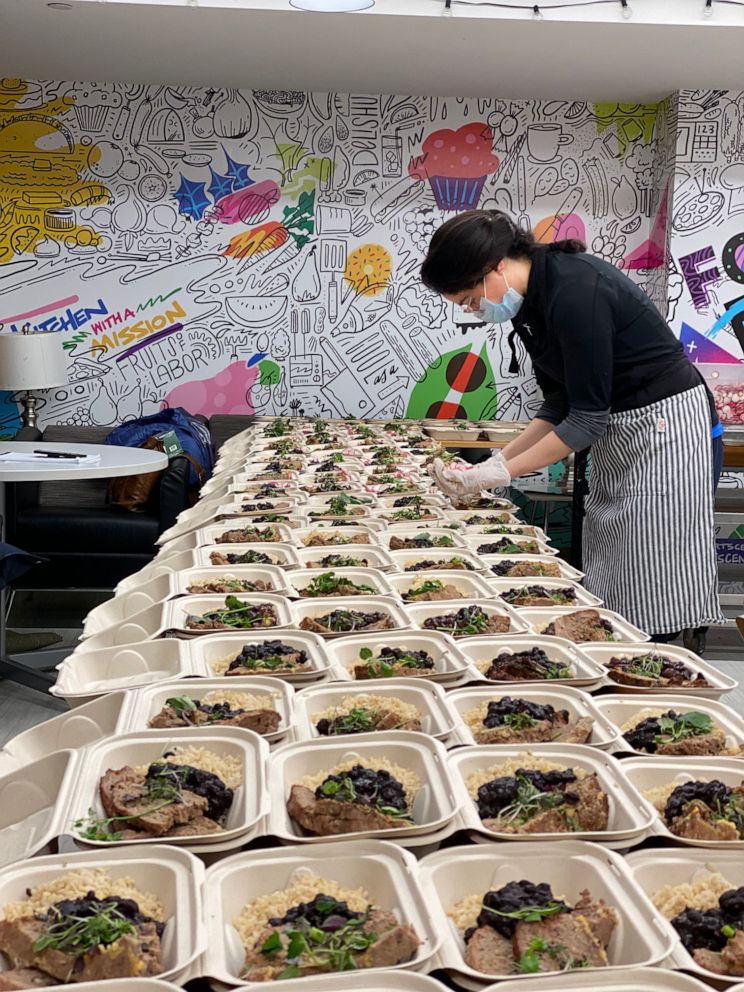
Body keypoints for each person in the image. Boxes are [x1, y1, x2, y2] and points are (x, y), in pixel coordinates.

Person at [420, 209, 725, 645]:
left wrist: (502, 474)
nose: (473, 309)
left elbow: (585, 418)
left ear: (496, 267)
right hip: (620, 429)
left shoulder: (577, 289)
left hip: (664, 426)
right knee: (610, 541)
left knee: (651, 558)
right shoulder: (531, 303)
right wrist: (494, 462)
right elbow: (560, 402)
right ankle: (612, 650)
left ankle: (659, 663)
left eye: (470, 298)